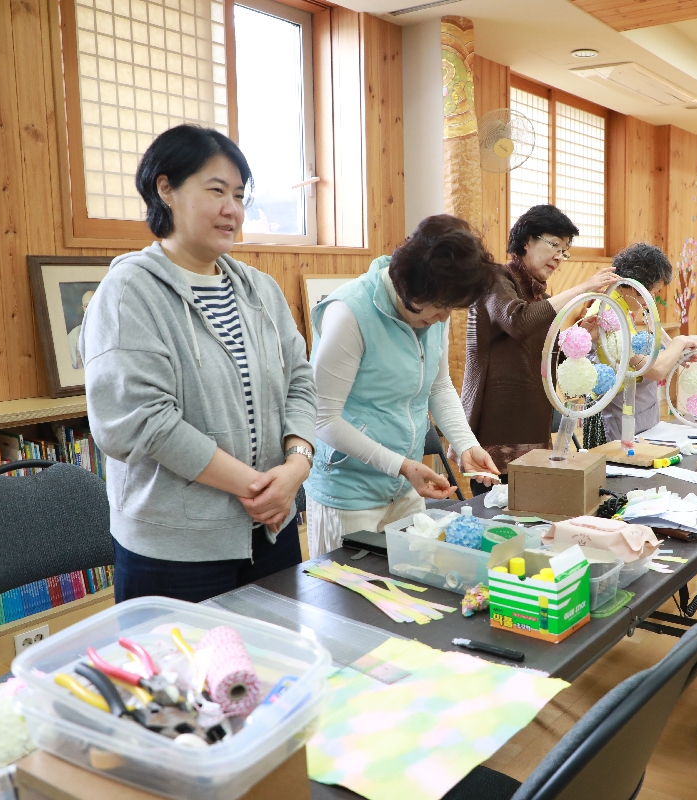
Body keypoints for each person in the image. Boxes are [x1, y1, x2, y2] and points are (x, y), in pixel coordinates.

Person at [82, 125, 317, 603]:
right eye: (215, 190)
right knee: (181, 679)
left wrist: (295, 467)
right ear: (165, 188)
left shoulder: (260, 289)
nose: (232, 208)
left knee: (276, 670)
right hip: (176, 550)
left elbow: (300, 380)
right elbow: (144, 421)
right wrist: (260, 488)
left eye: (238, 194)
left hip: (272, 531)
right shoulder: (130, 292)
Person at [304, 215, 499, 554]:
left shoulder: (433, 310)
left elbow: (438, 387)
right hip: (349, 492)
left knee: (411, 591)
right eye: (438, 307)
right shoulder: (349, 313)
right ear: (409, 284)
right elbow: (322, 419)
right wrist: (402, 466)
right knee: (347, 601)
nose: (441, 318)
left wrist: (466, 444)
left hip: (406, 488)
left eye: (449, 309)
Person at [461, 205, 617, 495]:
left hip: (532, 427)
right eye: (554, 244)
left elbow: (549, 361)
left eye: (565, 248)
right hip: (496, 429)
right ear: (527, 241)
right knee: (496, 524)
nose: (559, 255)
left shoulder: (543, 297)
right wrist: (584, 287)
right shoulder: (495, 278)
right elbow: (517, 321)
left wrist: (582, 335)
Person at [579, 243, 697, 448]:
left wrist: (676, 352)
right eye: (654, 290)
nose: (652, 297)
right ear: (639, 284)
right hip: (613, 415)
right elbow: (655, 369)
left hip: (631, 409)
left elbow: (649, 339)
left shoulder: (622, 305)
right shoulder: (608, 311)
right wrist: (678, 342)